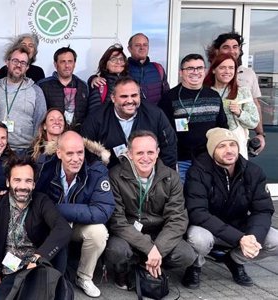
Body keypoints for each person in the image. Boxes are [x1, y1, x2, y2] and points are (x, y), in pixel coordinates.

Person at [183, 128, 278, 288]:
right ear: (212, 150)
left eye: (232, 144)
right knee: (198, 239)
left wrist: (252, 237)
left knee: (275, 240)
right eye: (222, 146)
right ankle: (195, 266)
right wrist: (239, 238)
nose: (229, 150)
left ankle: (234, 260)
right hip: (208, 228)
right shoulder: (198, 172)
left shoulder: (253, 172)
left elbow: (262, 209)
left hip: (239, 225)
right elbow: (198, 213)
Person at [105, 130, 196, 290]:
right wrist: (149, 248)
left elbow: (177, 219)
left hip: (159, 233)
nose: (145, 158)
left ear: (157, 153)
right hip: (128, 234)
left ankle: (151, 267)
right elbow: (117, 222)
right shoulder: (115, 176)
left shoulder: (171, 177)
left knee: (186, 255)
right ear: (130, 154)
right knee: (116, 250)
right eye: (139, 153)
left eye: (150, 152)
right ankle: (124, 269)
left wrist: (158, 249)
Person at [35, 131, 115, 298]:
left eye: (80, 152)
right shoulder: (45, 165)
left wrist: (59, 210)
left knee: (99, 232)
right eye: (69, 153)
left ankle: (84, 277)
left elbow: (103, 209)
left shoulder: (96, 169)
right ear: (59, 153)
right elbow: (35, 198)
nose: (76, 158)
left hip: (77, 224)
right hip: (52, 224)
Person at [0, 155, 72, 296]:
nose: (23, 186)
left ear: (34, 184)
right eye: (17, 180)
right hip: (10, 270)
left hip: (37, 267)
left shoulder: (41, 201)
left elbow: (63, 229)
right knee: (0, 296)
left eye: (28, 181)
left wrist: (38, 257)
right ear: (8, 182)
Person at [158, 53, 227, 182]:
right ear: (181, 72)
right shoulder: (169, 98)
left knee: (208, 198)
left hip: (209, 160)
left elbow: (222, 128)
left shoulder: (214, 96)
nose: (195, 72)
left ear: (205, 71)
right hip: (181, 161)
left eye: (199, 68)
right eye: (190, 68)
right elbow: (162, 132)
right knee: (183, 198)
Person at [81, 77, 177, 169]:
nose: (130, 101)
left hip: (149, 176)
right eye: (124, 96)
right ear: (113, 98)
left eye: (134, 95)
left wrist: (160, 178)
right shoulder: (96, 118)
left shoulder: (155, 115)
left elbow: (169, 149)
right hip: (110, 177)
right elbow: (89, 155)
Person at [207, 32, 265, 155]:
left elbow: (255, 107)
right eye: (226, 47)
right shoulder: (206, 89)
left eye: (235, 47)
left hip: (236, 142)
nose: (227, 71)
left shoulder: (246, 81)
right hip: (210, 143)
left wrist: (260, 133)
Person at [0, 45, 47, 156]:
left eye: (23, 63)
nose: (18, 65)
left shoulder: (36, 91)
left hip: (24, 152)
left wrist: (34, 149)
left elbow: (40, 122)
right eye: (15, 61)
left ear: (27, 67)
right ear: (7, 62)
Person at [203, 53, 259, 159]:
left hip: (234, 144)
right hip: (207, 144)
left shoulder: (243, 91)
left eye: (231, 68)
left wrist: (239, 113)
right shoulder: (204, 91)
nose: (227, 71)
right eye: (222, 67)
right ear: (214, 70)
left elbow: (254, 122)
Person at [37, 47, 89, 131]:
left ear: (74, 64)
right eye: (63, 62)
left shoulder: (83, 86)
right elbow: (38, 117)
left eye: (70, 61)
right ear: (55, 64)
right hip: (51, 139)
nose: (67, 65)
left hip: (76, 138)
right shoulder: (43, 86)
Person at [127, 33, 170, 106]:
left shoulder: (158, 68)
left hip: (154, 116)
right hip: (130, 116)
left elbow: (167, 96)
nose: (142, 47)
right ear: (129, 49)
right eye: (137, 45)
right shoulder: (122, 69)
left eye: (145, 45)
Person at [87, 44, 129, 114]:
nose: (118, 62)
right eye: (113, 59)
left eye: (121, 59)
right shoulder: (99, 83)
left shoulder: (132, 82)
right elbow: (94, 113)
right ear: (105, 64)